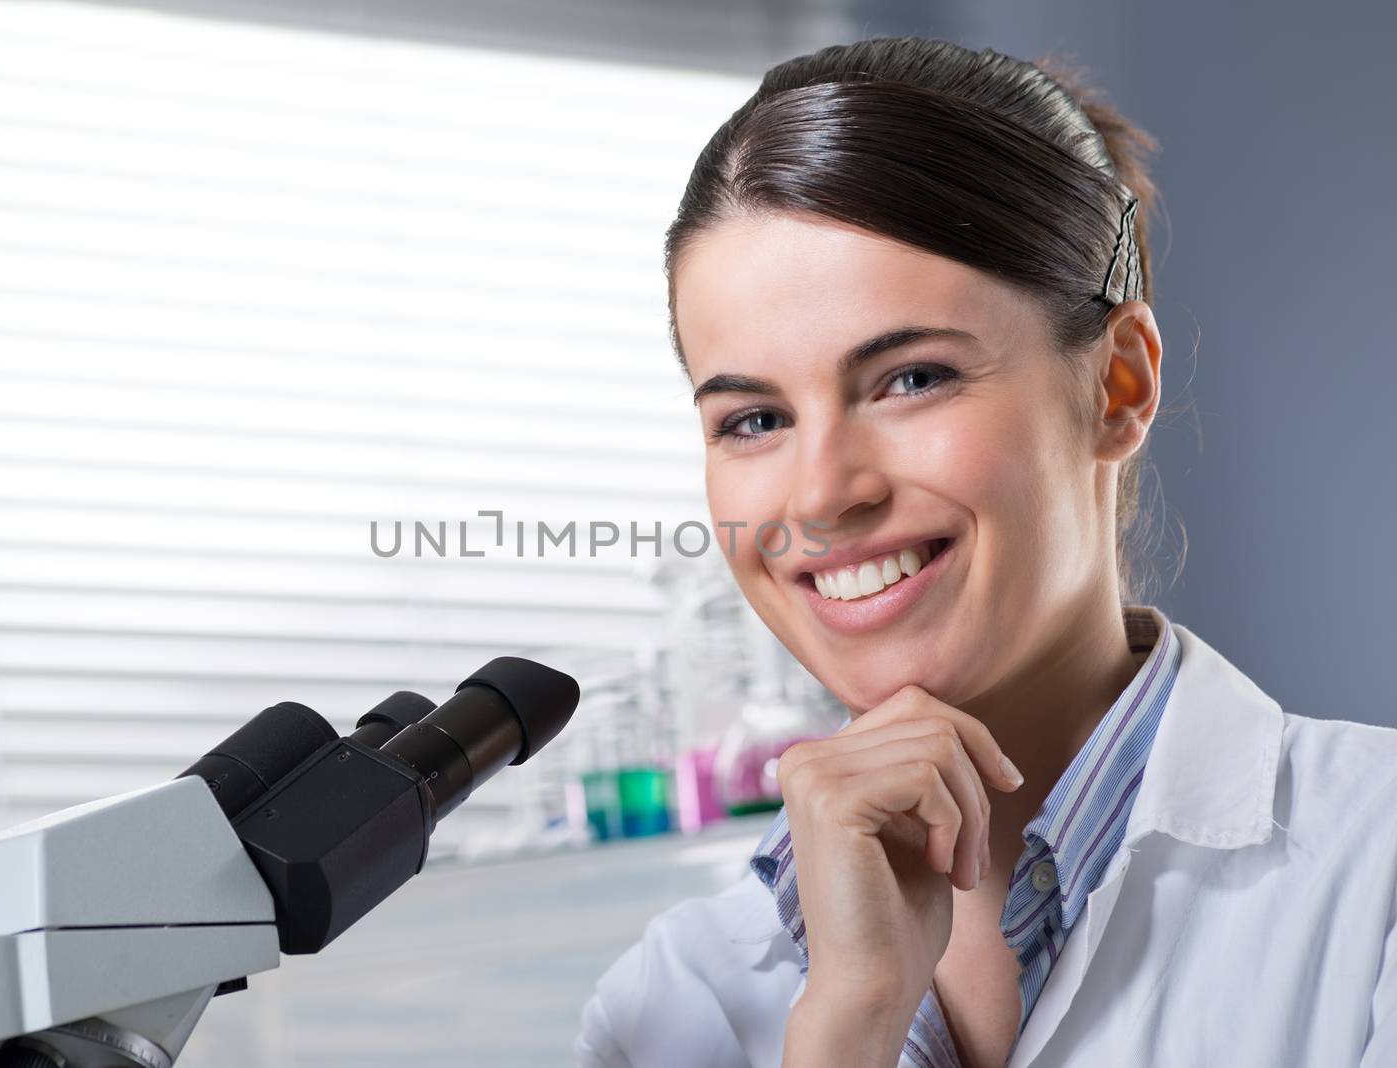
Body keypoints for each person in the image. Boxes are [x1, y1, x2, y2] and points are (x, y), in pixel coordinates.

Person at [573, 34, 1397, 1068]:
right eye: (752, 420)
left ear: (1117, 385)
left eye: (910, 378)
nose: (824, 493)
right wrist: (849, 1022)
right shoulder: (670, 1004)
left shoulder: (1376, 874)